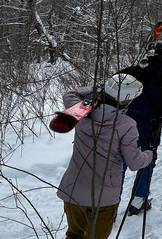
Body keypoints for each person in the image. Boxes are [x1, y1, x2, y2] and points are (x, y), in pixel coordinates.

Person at [57, 74, 154, 239]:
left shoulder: (80, 111)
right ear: (127, 101)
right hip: (103, 200)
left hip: (72, 192)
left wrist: (98, 89)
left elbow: (70, 94)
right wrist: (150, 153)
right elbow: (135, 163)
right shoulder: (126, 125)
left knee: (74, 235)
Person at [119, 42, 162, 215]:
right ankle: (138, 201)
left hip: (123, 125)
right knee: (146, 161)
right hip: (148, 128)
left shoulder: (131, 71)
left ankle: (111, 202)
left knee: (119, 162)